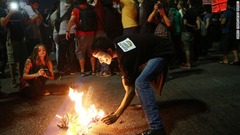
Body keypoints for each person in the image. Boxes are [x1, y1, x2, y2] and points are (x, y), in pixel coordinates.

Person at [91, 34, 174, 135]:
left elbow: (130, 91)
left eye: (100, 57)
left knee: (141, 83)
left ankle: (157, 129)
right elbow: (129, 69)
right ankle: (145, 102)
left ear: (109, 51)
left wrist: (116, 115)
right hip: (155, 49)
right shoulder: (117, 43)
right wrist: (126, 79)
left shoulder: (125, 57)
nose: (101, 61)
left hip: (162, 51)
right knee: (131, 80)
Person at [1, 1, 28, 88]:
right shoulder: (4, 12)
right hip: (11, 41)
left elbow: (23, 25)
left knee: (22, 60)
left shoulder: (19, 13)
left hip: (21, 39)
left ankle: (21, 79)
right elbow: (3, 23)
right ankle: (13, 80)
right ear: (8, 4)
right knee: (12, 62)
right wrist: (10, 12)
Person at [66, 0, 96, 77]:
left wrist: (67, 30)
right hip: (92, 33)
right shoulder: (90, 8)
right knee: (91, 51)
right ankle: (93, 70)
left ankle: (82, 71)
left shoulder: (76, 9)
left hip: (81, 33)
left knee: (80, 52)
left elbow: (72, 20)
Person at [219, 0, 239, 65]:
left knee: (225, 46)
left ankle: (226, 60)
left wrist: (221, 20)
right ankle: (236, 59)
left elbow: (223, 22)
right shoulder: (236, 12)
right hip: (234, 31)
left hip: (226, 31)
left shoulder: (227, 12)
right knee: (234, 46)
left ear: (228, 5)